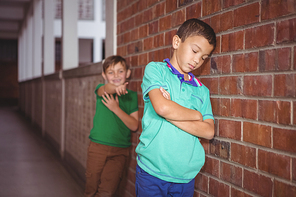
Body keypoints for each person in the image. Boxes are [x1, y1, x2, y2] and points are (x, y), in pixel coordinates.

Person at [135, 18, 216, 196]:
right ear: (177, 42)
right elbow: (162, 108)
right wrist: (196, 116)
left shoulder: (202, 91)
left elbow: (209, 131)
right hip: (151, 171)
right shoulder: (155, 70)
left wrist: (171, 110)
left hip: (184, 177)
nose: (197, 60)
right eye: (195, 51)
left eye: (203, 58)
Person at [84, 55, 139, 197]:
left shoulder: (131, 96)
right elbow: (107, 88)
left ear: (128, 73)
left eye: (120, 71)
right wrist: (116, 88)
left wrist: (116, 108)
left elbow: (134, 125)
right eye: (110, 72)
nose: (116, 75)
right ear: (104, 75)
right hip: (98, 147)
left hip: (120, 151)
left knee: (107, 192)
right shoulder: (101, 90)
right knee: (91, 189)